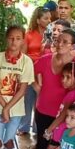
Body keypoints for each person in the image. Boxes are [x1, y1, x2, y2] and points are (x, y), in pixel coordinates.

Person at [33, 28, 75, 149]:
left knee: (59, 146)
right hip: (43, 109)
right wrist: (37, 87)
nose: (60, 44)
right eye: (58, 40)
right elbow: (30, 73)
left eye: (65, 42)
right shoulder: (45, 59)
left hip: (64, 116)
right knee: (42, 143)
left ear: (73, 46)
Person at [0, 26, 34, 149]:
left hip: (16, 108)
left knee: (9, 141)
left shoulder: (27, 62)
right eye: (11, 38)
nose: (14, 41)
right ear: (7, 39)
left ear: (23, 41)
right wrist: (4, 108)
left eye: (18, 38)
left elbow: (22, 90)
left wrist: (7, 108)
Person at [19, 7, 53, 136]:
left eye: (50, 18)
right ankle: (24, 127)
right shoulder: (29, 35)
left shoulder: (51, 36)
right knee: (27, 99)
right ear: (38, 20)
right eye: (46, 18)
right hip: (30, 70)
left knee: (40, 101)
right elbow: (23, 54)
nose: (49, 21)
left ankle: (37, 129)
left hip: (44, 72)